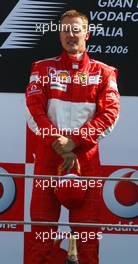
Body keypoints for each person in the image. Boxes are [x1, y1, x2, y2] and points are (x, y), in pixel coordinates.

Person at [25, 9, 120, 264]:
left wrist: (75, 142)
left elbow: (110, 114)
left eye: (76, 29)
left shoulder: (104, 72)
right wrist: (58, 143)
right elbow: (33, 111)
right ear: (59, 35)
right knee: (40, 237)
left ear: (87, 33)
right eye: (65, 29)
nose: (70, 34)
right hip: (48, 159)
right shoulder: (42, 68)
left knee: (88, 238)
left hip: (86, 162)